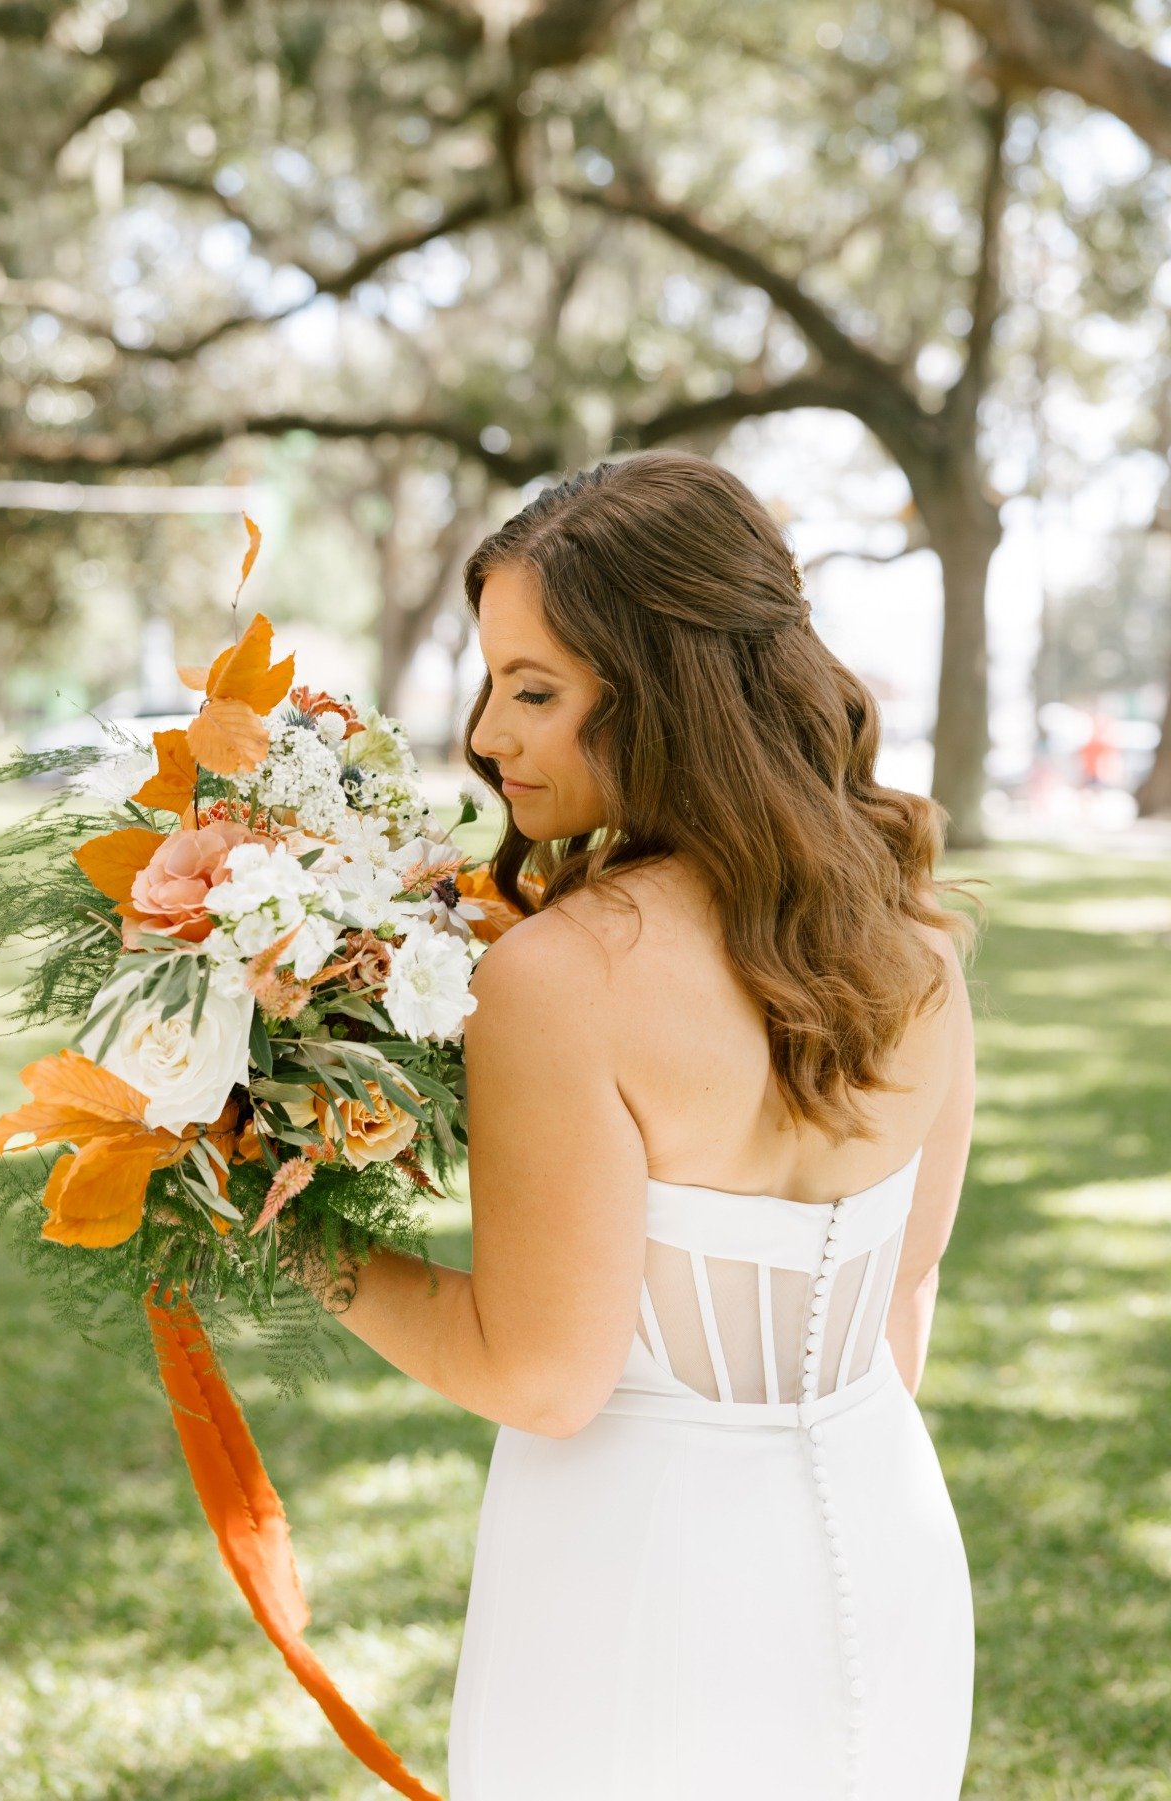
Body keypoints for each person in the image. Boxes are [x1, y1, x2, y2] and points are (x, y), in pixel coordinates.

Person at [310, 449, 984, 1801]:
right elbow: (900, 1299)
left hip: (641, 1584)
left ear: (667, 691)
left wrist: (286, 1237)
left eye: (536, 691)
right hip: (888, 1537)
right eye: (494, 681)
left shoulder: (561, 978)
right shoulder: (920, 948)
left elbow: (545, 1377)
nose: (488, 735)